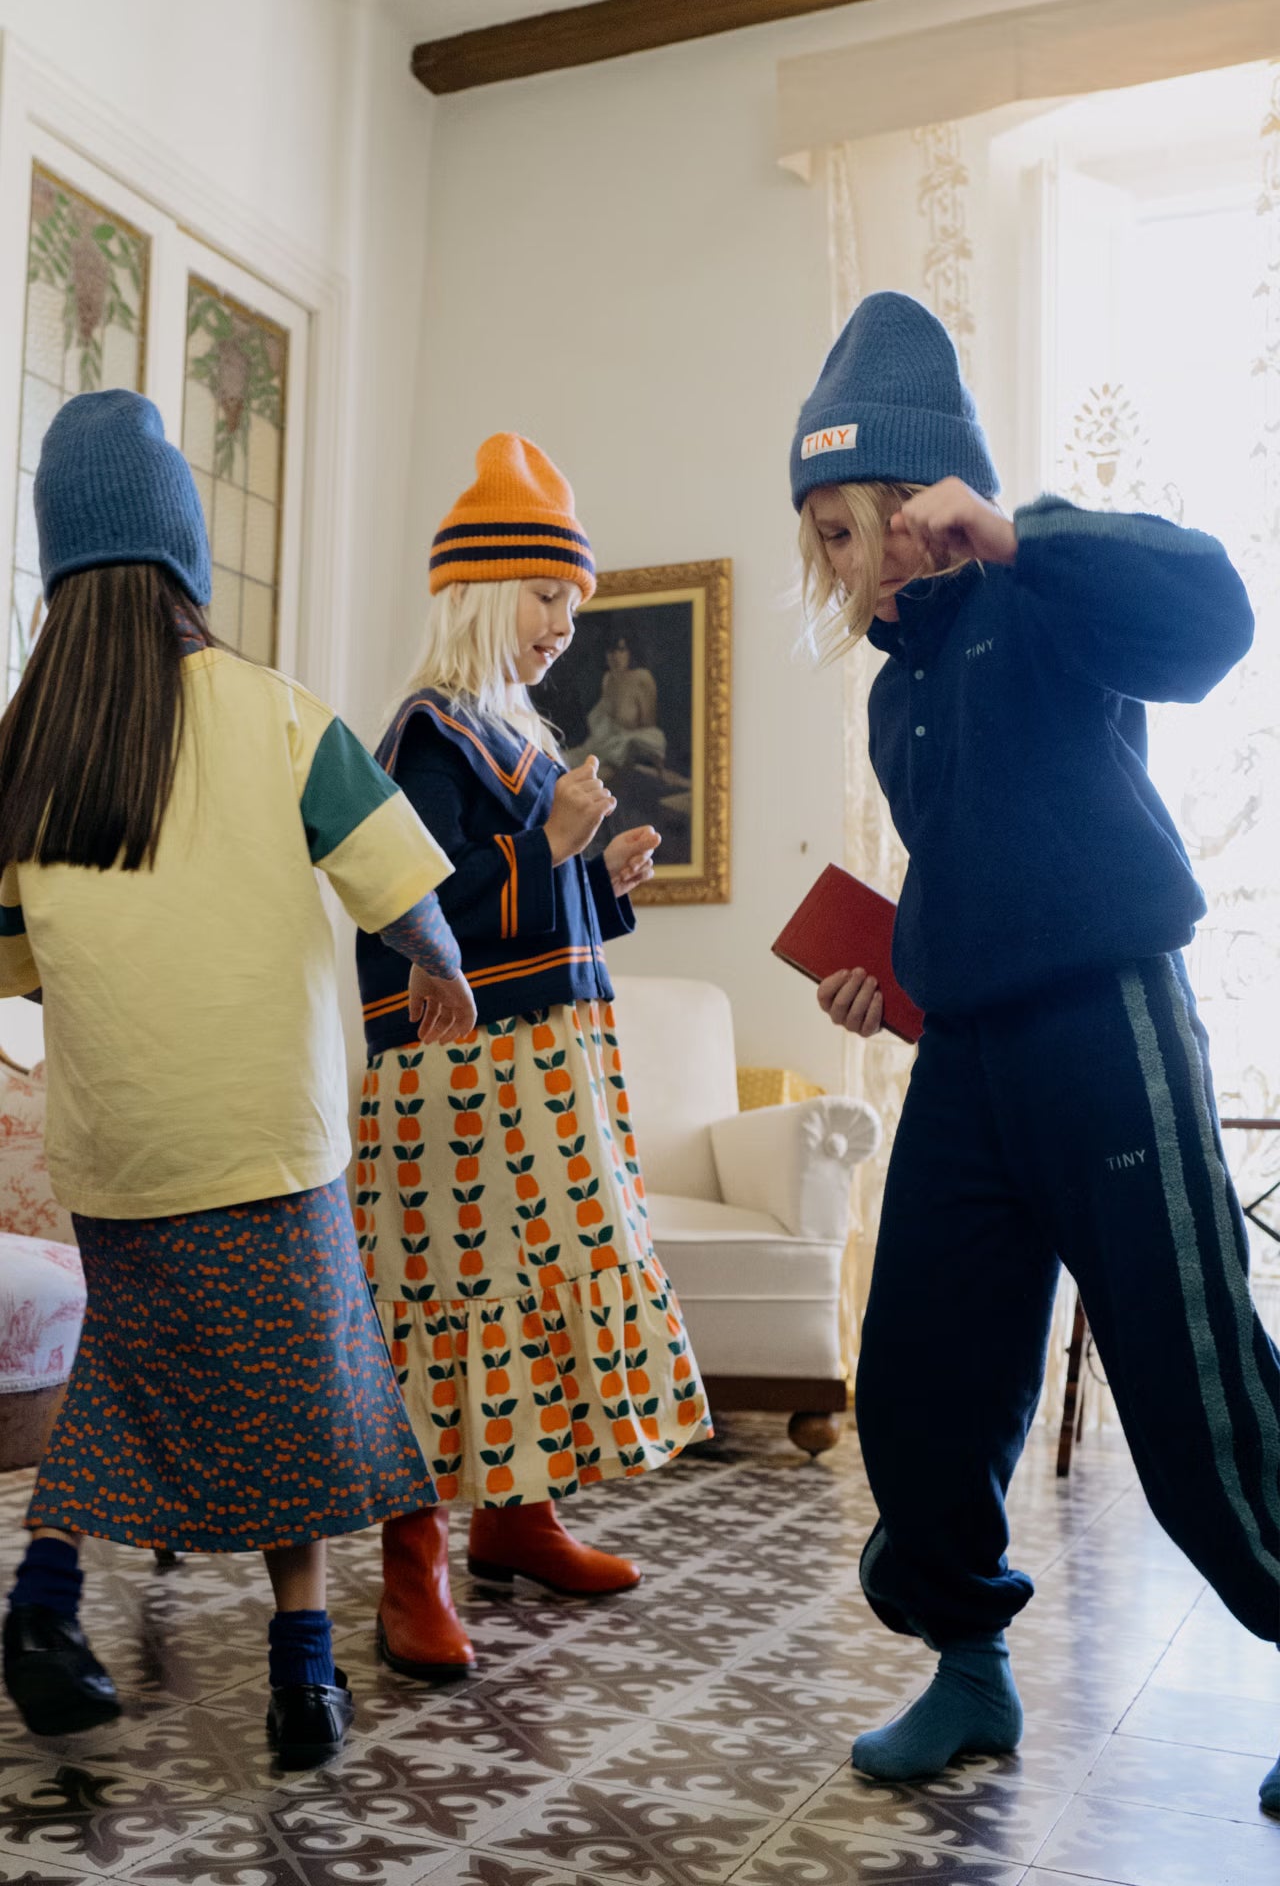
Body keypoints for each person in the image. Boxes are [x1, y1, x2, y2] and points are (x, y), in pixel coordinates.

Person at [790, 292, 1280, 1818]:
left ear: (923, 496)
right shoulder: (897, 696)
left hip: (1108, 1027)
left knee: (1192, 1383)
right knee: (920, 1378)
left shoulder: (1043, 583)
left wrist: (1011, 535)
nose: (849, 559)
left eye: (861, 520)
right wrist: (893, 984)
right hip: (968, 1058)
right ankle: (967, 1669)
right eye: (824, 535)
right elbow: (978, 875)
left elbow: (1212, 618)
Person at [0, 391, 474, 1768]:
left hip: (121, 1156)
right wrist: (441, 965)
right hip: (267, 1139)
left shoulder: (29, 752)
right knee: (302, 1403)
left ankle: (42, 1603)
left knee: (126, 1379)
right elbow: (392, 879)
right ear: (183, 558)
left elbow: (16, 962)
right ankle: (302, 1674)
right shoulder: (273, 713)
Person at [355, 434, 712, 1680]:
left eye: (573, 601)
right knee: (445, 1297)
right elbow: (409, 907)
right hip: (454, 1076)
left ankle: (517, 1517)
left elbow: (521, 904)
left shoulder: (513, 733)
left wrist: (596, 876)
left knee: (538, 1281)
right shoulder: (427, 733)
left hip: (537, 1065)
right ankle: (412, 1563)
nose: (566, 624)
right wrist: (550, 849)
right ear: (483, 591)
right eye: (547, 595)